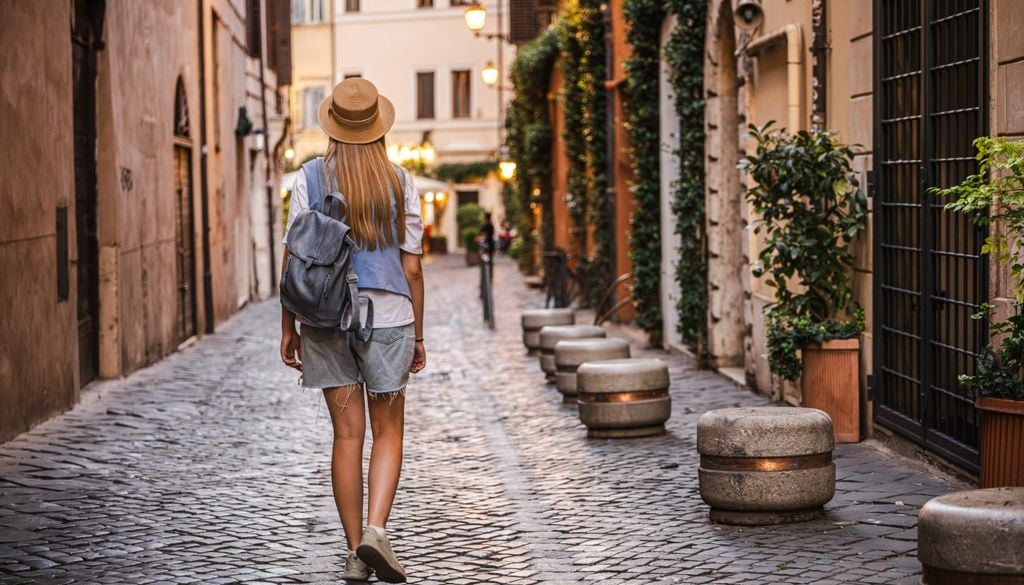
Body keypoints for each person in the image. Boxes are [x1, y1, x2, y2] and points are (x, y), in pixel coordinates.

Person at [279, 78, 425, 583]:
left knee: (346, 435)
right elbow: (411, 269)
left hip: (324, 318)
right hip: (388, 317)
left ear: (333, 126)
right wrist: (420, 335)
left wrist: (288, 326)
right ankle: (376, 531)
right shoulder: (400, 181)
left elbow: (294, 259)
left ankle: (353, 554)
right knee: (388, 432)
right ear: (378, 127)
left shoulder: (309, 179)